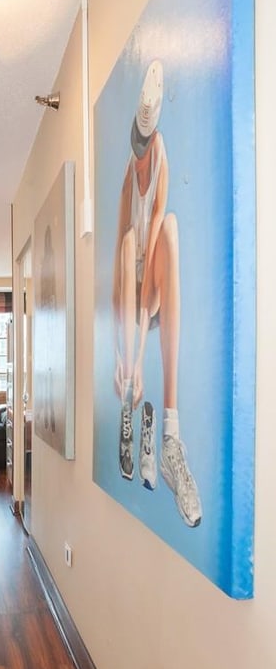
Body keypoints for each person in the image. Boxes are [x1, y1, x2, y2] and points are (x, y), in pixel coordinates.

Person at [111, 59, 202, 527]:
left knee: (169, 226)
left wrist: (142, 351)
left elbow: (149, 275)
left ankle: (169, 436)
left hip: (155, 291)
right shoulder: (130, 175)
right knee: (127, 241)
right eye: (138, 148)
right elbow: (121, 265)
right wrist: (121, 355)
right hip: (131, 294)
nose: (143, 156)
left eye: (146, 148)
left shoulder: (161, 155)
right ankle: (129, 398)